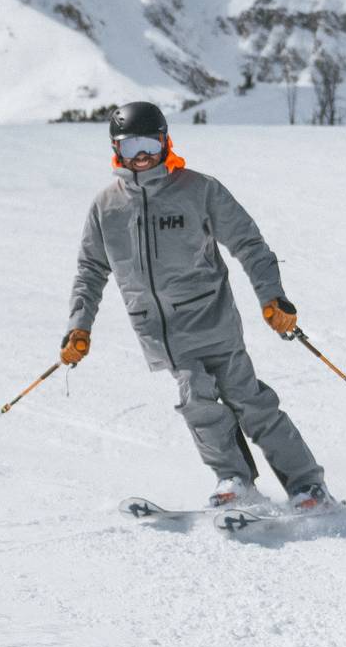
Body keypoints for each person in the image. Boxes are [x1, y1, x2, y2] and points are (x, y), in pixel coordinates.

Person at [61, 102, 332, 511]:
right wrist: (79, 327)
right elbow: (90, 271)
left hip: (212, 317)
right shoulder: (107, 207)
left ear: (166, 139)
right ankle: (236, 481)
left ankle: (307, 486)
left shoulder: (198, 190)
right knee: (197, 400)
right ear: (116, 149)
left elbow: (250, 245)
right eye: (131, 144)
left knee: (248, 400)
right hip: (159, 331)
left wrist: (272, 297)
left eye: (150, 142)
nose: (142, 154)